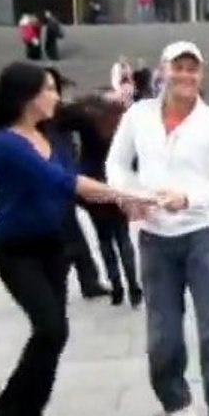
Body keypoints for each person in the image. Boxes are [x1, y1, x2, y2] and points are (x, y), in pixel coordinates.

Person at [0, 62, 151, 416]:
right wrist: (127, 195)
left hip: (53, 245)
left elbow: (70, 191)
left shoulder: (50, 136)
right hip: (16, 249)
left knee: (52, 335)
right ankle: (8, 409)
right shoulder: (4, 143)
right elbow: (61, 182)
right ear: (26, 96)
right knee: (51, 329)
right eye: (48, 89)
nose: (56, 96)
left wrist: (122, 207)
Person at [105, 41, 209, 416]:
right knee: (163, 330)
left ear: (201, 76)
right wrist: (128, 195)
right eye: (178, 68)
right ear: (163, 71)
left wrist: (189, 199)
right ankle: (174, 397)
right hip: (155, 237)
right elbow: (116, 162)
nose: (185, 76)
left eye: (192, 69)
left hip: (203, 234)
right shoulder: (138, 116)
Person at [56, 93, 143, 307]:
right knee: (123, 237)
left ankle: (117, 288)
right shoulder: (119, 123)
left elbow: (64, 117)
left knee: (104, 239)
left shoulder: (87, 120)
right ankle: (133, 287)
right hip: (115, 183)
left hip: (92, 184)